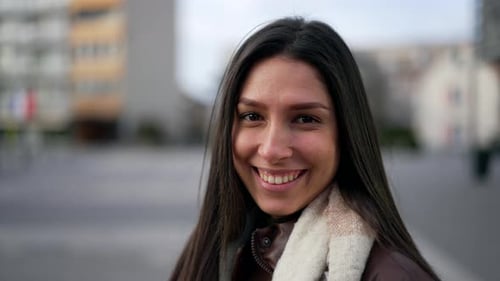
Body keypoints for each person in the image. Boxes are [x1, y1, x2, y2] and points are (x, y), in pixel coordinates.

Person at [170, 17, 440, 281]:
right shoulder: (211, 252)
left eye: (305, 119)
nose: (272, 150)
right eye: (252, 116)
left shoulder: (393, 275)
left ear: (347, 132)